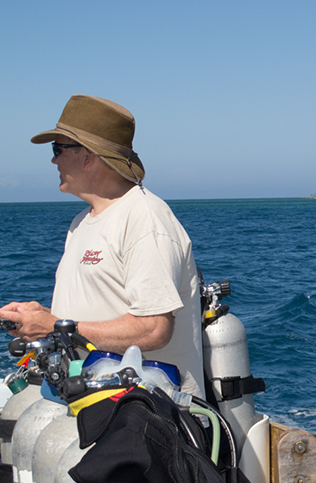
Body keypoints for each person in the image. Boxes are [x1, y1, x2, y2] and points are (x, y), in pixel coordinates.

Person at [0, 95, 204, 397]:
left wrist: (55, 326)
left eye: (58, 149)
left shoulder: (144, 218)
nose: (53, 159)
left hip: (146, 416)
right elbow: (89, 315)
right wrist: (39, 316)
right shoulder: (81, 222)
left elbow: (154, 329)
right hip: (91, 402)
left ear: (89, 156)